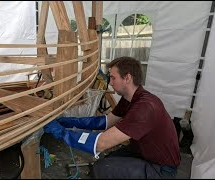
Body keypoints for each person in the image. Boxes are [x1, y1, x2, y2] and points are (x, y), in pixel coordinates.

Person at [44, 56, 181, 179]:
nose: (109, 83)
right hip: (143, 153)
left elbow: (100, 143)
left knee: (102, 170)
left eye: (113, 78)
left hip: (161, 169)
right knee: (108, 160)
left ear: (127, 78)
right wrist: (71, 122)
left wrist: (62, 132)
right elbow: (106, 121)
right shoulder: (129, 99)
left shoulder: (145, 107)